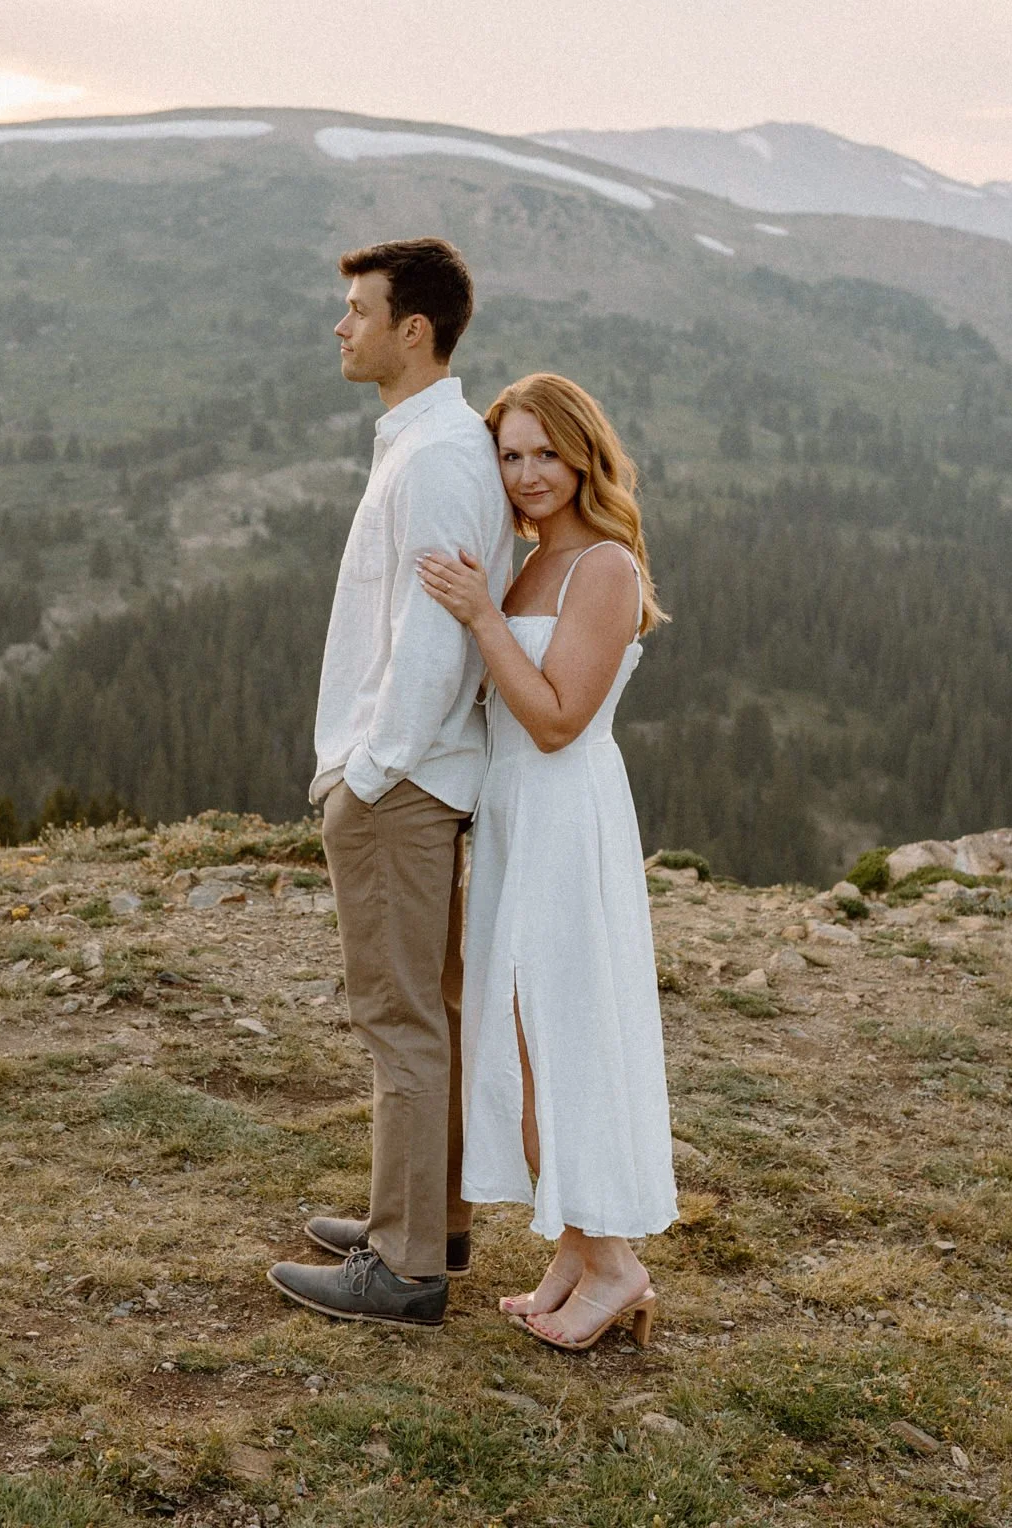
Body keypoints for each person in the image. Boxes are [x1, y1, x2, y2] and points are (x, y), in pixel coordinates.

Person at [267, 238, 512, 1329]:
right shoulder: (424, 443)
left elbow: (434, 638)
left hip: (398, 785)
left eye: (357, 309)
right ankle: (424, 1222)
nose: (340, 326)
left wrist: (366, 773)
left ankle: (404, 1268)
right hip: (407, 776)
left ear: (412, 329)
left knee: (398, 1016)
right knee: (428, 1011)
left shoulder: (441, 456)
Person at [414, 373, 678, 1351]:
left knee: (560, 1038)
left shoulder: (603, 568)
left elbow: (560, 719)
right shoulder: (526, 568)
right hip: (514, 816)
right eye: (509, 455)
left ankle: (616, 1262)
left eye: (544, 453)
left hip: (566, 816)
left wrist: (482, 618)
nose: (526, 475)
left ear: (581, 456)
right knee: (521, 1048)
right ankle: (572, 1249)